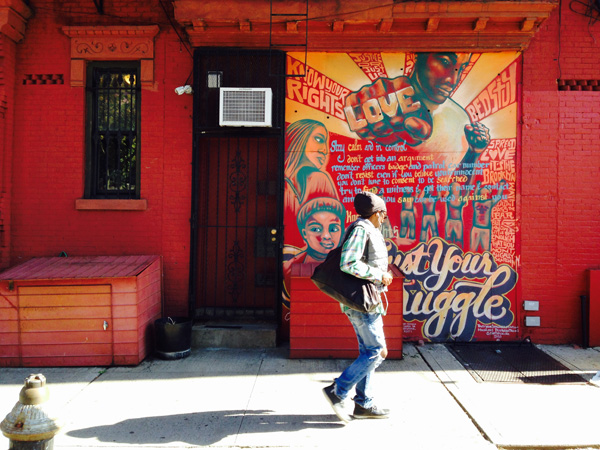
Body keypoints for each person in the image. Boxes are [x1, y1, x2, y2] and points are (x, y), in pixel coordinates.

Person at [322, 191, 393, 422]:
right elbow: (348, 263)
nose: (384, 218)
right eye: (383, 214)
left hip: (370, 300)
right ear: (377, 213)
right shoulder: (362, 229)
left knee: (369, 351)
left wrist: (380, 275)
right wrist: (379, 275)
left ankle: (364, 403)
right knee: (377, 352)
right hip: (363, 302)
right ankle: (338, 390)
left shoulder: (368, 229)